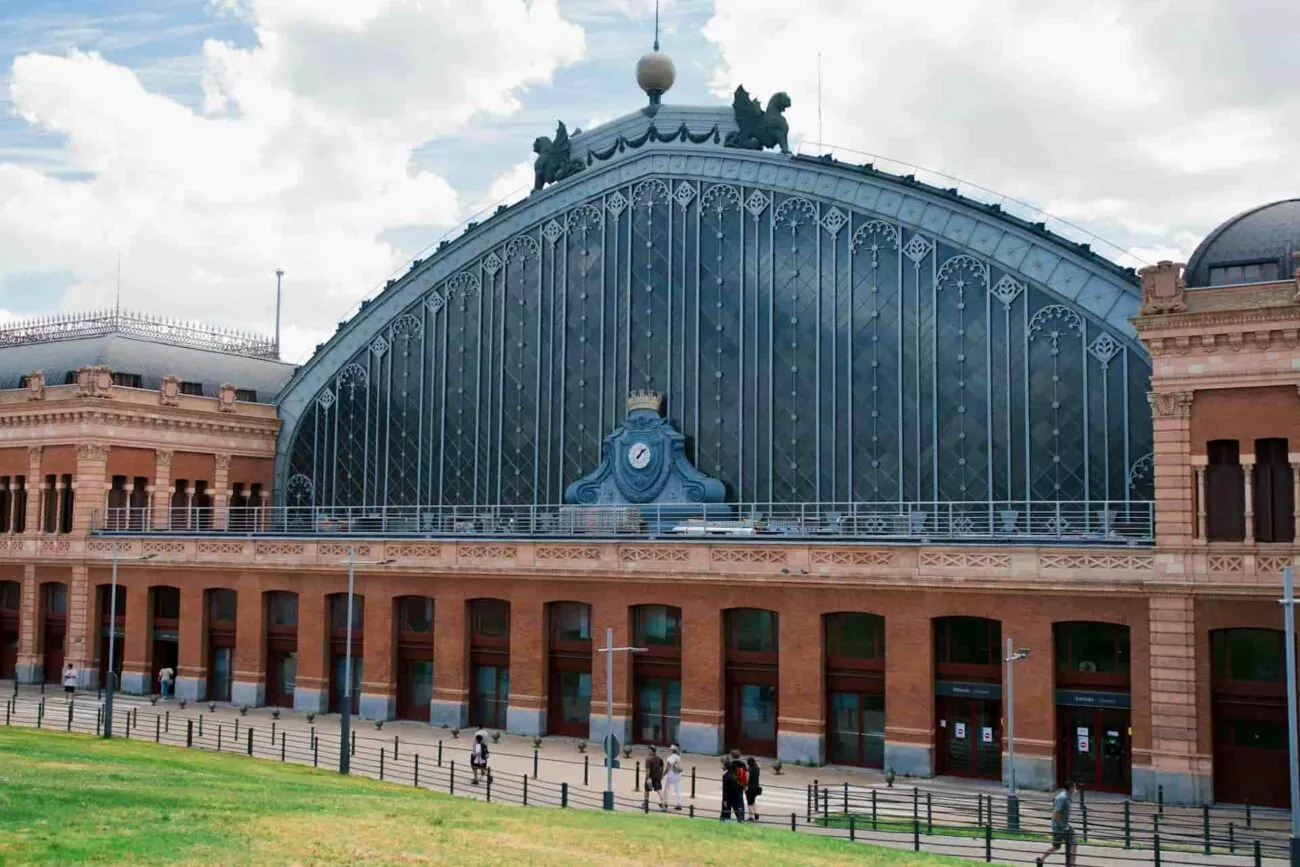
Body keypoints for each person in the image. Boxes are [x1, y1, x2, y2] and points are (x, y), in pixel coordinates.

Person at [1037, 781, 1077, 865]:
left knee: (1073, 843)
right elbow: (1056, 813)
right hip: (1059, 827)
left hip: (1063, 825)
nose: (1075, 789)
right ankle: (1041, 859)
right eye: (1074, 787)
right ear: (1070, 788)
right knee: (1057, 846)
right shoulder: (1063, 798)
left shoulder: (1066, 796)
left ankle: (1071, 863)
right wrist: (1062, 825)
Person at [720, 749, 747, 821]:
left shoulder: (731, 764)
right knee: (739, 803)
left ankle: (725, 818)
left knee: (727, 803)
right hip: (739, 785)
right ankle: (741, 818)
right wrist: (745, 785)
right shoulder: (743, 764)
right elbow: (746, 774)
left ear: (731, 756)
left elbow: (725, 768)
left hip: (730, 786)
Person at [645, 745, 666, 811]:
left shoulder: (648, 759)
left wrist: (648, 778)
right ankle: (663, 805)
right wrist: (661, 775)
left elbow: (648, 770)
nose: (648, 751)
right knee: (659, 791)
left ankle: (646, 804)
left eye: (649, 750)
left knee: (646, 790)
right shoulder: (659, 759)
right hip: (657, 777)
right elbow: (662, 766)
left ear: (651, 751)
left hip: (650, 777)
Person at [663, 745, 683, 811]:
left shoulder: (670, 758)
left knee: (666, 789)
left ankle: (665, 803)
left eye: (670, 749)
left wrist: (663, 774)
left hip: (671, 775)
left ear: (672, 751)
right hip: (678, 775)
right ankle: (679, 804)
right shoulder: (678, 756)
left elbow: (667, 768)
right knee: (678, 789)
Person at [744, 756, 762, 822]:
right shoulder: (757, 768)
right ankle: (756, 813)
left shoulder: (749, 770)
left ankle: (751, 817)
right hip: (756, 787)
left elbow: (747, 780)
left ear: (748, 763)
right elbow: (759, 765)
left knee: (749, 803)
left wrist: (745, 786)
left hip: (750, 788)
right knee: (753, 801)